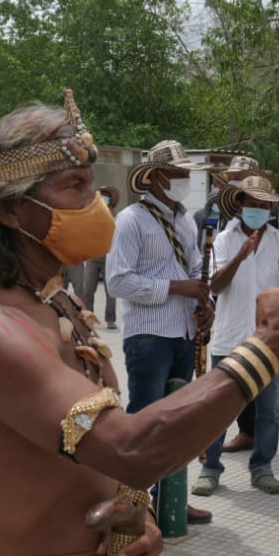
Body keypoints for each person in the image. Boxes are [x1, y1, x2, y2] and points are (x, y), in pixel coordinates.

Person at [0, 92, 279, 556]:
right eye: (74, 185)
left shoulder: (58, 301)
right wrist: (269, 347)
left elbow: (101, 445)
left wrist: (137, 512)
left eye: (91, 185)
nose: (94, 203)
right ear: (10, 210)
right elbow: (129, 449)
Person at [105, 139, 216, 525]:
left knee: (176, 422)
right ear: (154, 177)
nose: (184, 179)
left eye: (186, 173)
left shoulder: (186, 219)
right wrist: (174, 288)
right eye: (177, 173)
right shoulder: (131, 220)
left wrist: (205, 303)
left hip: (184, 331)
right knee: (145, 421)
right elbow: (117, 281)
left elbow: (198, 270)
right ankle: (134, 504)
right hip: (149, 335)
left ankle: (171, 499)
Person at [193, 175, 279, 497]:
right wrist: (241, 255)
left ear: (270, 208)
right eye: (251, 205)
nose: (257, 210)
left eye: (263, 206)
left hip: (268, 339)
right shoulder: (223, 239)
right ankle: (210, 469)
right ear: (239, 205)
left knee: (268, 410)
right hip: (230, 336)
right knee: (219, 408)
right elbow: (214, 286)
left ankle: (262, 468)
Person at [70, 186, 120, 329]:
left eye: (107, 196)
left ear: (111, 200)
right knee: (88, 290)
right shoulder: (92, 213)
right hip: (92, 258)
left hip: (109, 260)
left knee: (111, 292)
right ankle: (89, 316)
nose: (104, 198)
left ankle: (110, 319)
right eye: (101, 195)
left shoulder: (116, 215)